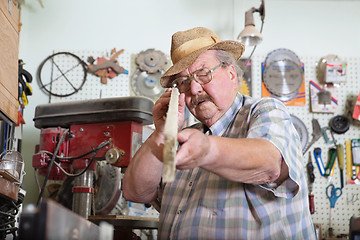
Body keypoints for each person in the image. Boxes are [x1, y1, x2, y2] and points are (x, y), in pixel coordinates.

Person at [123, 27, 315, 239]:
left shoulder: (264, 111)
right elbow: (136, 192)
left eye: (203, 74)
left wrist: (206, 151)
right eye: (184, 82)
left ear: (231, 74)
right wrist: (162, 133)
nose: (194, 89)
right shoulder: (182, 138)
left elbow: (268, 165)